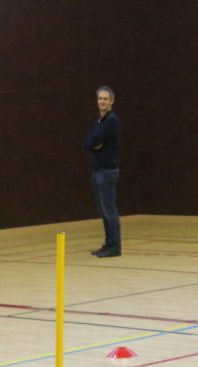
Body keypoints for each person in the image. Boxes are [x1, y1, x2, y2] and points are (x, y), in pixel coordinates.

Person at [84, 86, 121, 258]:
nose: (102, 101)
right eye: (100, 98)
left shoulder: (112, 120)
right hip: (98, 170)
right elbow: (88, 142)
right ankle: (108, 243)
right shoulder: (100, 120)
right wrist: (94, 143)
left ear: (111, 101)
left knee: (109, 210)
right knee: (103, 210)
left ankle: (115, 246)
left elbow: (95, 140)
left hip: (107, 171)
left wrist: (95, 142)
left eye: (105, 99)